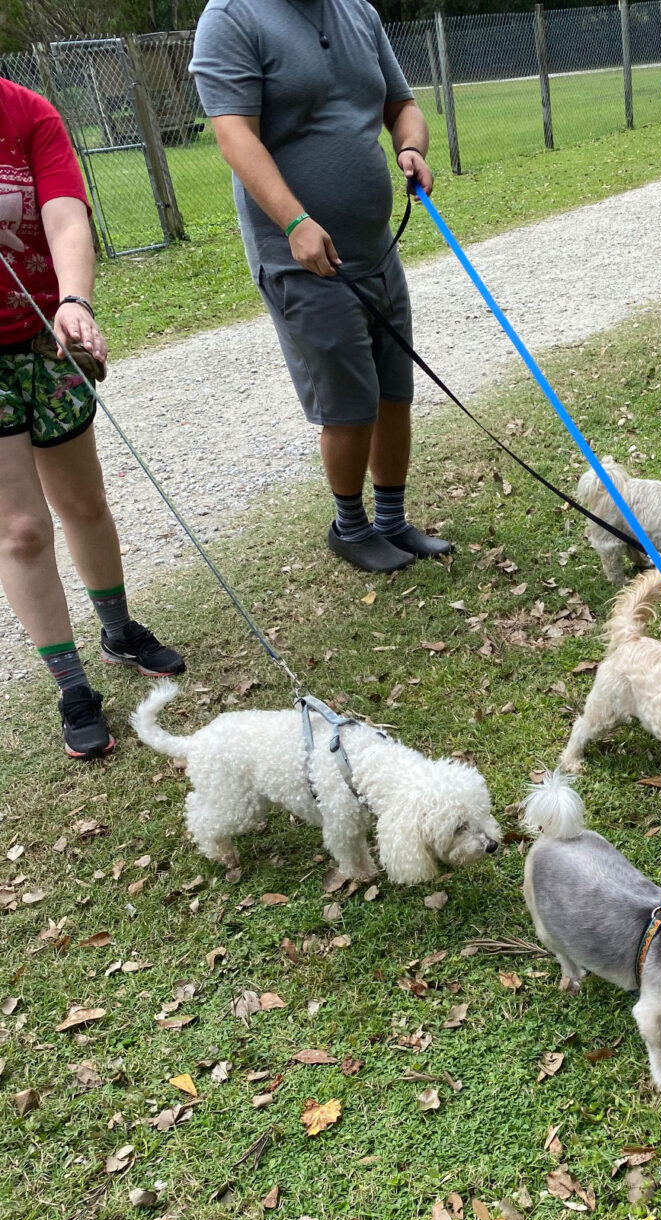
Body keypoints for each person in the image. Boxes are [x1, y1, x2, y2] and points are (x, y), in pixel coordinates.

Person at [190, 0, 452, 575]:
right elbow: (235, 137)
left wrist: (411, 146)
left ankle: (390, 520)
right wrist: (293, 221)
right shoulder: (232, 18)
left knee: (393, 388)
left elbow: (401, 105)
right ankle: (350, 527)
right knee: (347, 399)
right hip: (301, 255)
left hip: (376, 245)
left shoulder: (358, 11)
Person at [0, 80, 184, 760]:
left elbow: (66, 217)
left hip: (47, 339)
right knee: (19, 530)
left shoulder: (28, 113)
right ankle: (70, 684)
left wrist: (74, 298)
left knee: (82, 499)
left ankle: (116, 630)